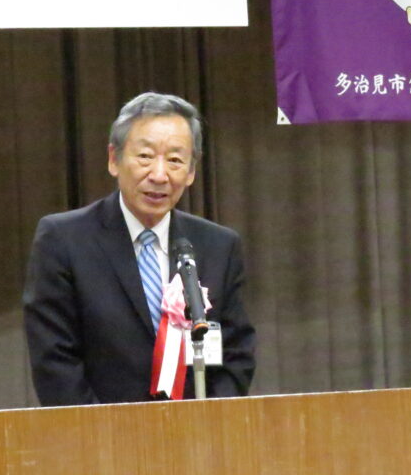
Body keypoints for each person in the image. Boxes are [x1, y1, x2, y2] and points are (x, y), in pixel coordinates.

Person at [23, 92, 256, 405]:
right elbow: (54, 359)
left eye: (175, 160)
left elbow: (237, 354)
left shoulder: (218, 246)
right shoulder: (64, 239)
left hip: (196, 429)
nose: (159, 175)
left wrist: (206, 422)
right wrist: (105, 430)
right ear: (114, 159)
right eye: (145, 156)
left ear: (191, 172)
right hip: (98, 430)